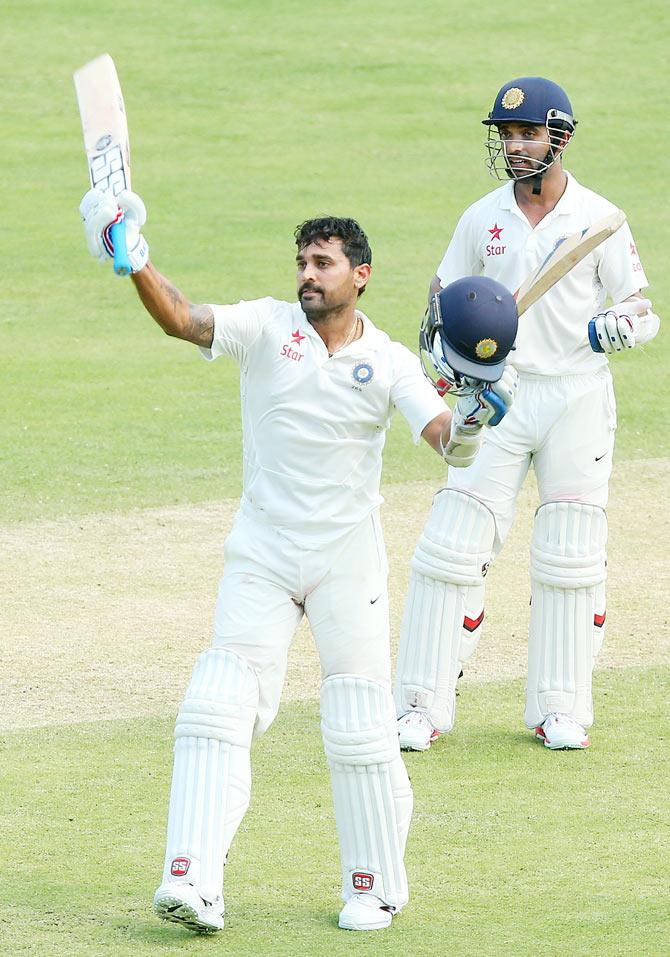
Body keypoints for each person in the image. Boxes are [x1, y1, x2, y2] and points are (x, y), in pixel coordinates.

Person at [79, 188, 518, 933]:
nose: (308, 274)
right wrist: (136, 263)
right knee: (216, 704)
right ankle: (193, 881)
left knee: (359, 723)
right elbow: (186, 320)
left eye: (324, 262)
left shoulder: (385, 361)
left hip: (348, 563)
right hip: (263, 553)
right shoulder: (264, 325)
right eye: (302, 262)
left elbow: (442, 434)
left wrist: (473, 423)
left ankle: (375, 886)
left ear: (362, 275)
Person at [395, 75, 660, 753]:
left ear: (560, 137)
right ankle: (421, 704)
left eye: (528, 133)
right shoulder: (481, 217)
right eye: (507, 135)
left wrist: (619, 328)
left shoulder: (599, 218)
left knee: (570, 553)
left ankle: (559, 709)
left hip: (576, 394)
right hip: (499, 395)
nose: (515, 146)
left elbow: (640, 307)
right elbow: (442, 302)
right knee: (452, 543)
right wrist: (449, 361)